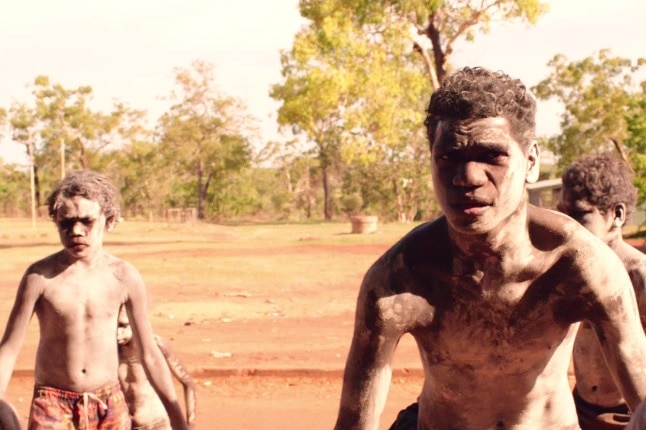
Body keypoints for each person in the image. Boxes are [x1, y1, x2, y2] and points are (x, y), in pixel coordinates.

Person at [332, 67, 646, 430]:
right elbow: (355, 422)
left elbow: (642, 396)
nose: (467, 178)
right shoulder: (401, 278)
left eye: (491, 156)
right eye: (448, 157)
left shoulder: (580, 266)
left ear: (530, 162)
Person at [0, 170, 188, 430]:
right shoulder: (40, 277)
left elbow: (149, 353)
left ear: (109, 221)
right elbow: (9, 349)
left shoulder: (124, 277)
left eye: (87, 221)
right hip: (53, 406)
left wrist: (177, 419)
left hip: (108, 405)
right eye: (66, 223)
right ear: (55, 221)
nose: (76, 231)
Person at [557, 153, 646, 429]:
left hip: (631, 415)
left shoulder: (639, 276)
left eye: (579, 215)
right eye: (562, 214)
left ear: (616, 215)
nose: (567, 227)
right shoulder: (567, 274)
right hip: (578, 411)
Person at [117, 305, 196, 430]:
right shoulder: (109, 352)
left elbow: (189, 383)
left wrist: (190, 425)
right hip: (126, 425)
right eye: (114, 326)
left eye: (123, 326)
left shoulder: (155, 345)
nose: (118, 333)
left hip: (157, 423)